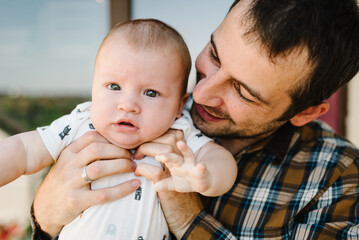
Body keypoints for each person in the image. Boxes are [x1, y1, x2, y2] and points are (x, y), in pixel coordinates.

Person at [31, 0, 359, 239]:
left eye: (243, 92)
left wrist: (188, 217)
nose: (199, 94)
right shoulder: (150, 108)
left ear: (306, 112)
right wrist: (46, 212)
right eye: (214, 55)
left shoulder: (337, 179)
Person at [0, 19, 237, 239]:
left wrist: (207, 176)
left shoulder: (179, 132)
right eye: (114, 86)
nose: (128, 105)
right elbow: (24, 150)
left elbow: (219, 158)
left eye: (151, 93)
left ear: (178, 105)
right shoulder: (81, 122)